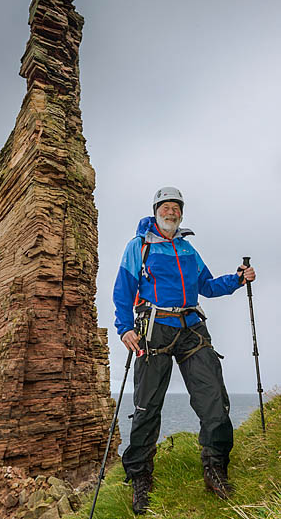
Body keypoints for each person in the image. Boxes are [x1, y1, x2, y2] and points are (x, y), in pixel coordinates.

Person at [113, 186, 256, 515]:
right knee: (147, 408)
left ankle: (215, 470)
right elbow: (123, 289)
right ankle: (139, 477)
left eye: (177, 207)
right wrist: (125, 329)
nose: (172, 212)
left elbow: (206, 286)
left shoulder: (188, 249)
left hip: (192, 327)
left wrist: (237, 279)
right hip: (153, 329)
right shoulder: (139, 247)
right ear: (155, 210)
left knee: (214, 400)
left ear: (181, 213)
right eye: (166, 207)